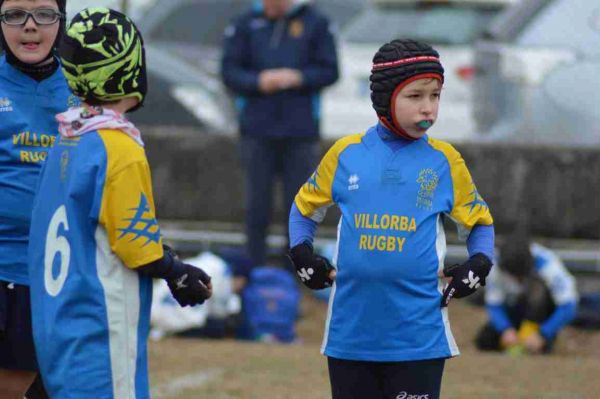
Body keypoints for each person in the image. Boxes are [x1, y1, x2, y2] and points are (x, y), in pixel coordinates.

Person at [288, 38, 495, 399]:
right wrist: (301, 254)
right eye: (415, 96)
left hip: (419, 337)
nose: (428, 109)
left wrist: (480, 261)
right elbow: (303, 210)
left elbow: (479, 223)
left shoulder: (445, 161)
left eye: (435, 96)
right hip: (350, 336)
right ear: (385, 98)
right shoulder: (346, 154)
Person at [27, 8, 213, 398]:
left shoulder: (68, 137)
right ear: (129, 67)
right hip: (98, 325)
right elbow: (134, 246)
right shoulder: (118, 148)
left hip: (57, 322)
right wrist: (177, 271)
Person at [221, 0, 339, 268]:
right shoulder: (244, 23)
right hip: (256, 130)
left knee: (300, 206)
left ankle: (297, 269)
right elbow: (229, 72)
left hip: (300, 132)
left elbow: (330, 71)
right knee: (256, 206)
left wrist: (298, 78)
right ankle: (253, 270)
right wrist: (258, 82)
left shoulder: (315, 23)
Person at [0, 0, 70, 397]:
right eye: (14, 15)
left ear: (61, 21)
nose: (29, 26)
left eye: (43, 14)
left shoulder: (84, 88)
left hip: (61, 276)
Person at [475, 235, 578, 354]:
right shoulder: (494, 264)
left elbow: (568, 306)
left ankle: (541, 339)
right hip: (514, 306)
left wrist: (543, 334)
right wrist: (505, 329)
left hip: (543, 312)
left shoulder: (549, 266)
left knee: (538, 294)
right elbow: (494, 304)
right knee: (485, 340)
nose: (517, 281)